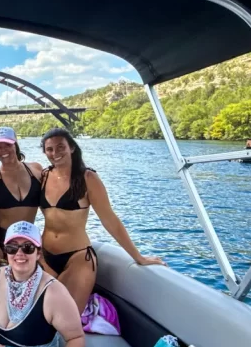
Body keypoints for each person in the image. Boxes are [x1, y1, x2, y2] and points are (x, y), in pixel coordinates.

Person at [39, 128, 165, 311]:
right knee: (42, 315)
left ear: (72, 147)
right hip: (45, 256)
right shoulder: (43, 176)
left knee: (68, 315)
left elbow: (109, 220)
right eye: (49, 149)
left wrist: (138, 257)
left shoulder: (87, 178)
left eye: (60, 147)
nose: (55, 153)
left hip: (77, 258)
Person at [0, 127, 43, 252]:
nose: (3, 150)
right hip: (1, 238)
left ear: (15, 144)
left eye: (7, 145)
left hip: (28, 236)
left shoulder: (36, 170)